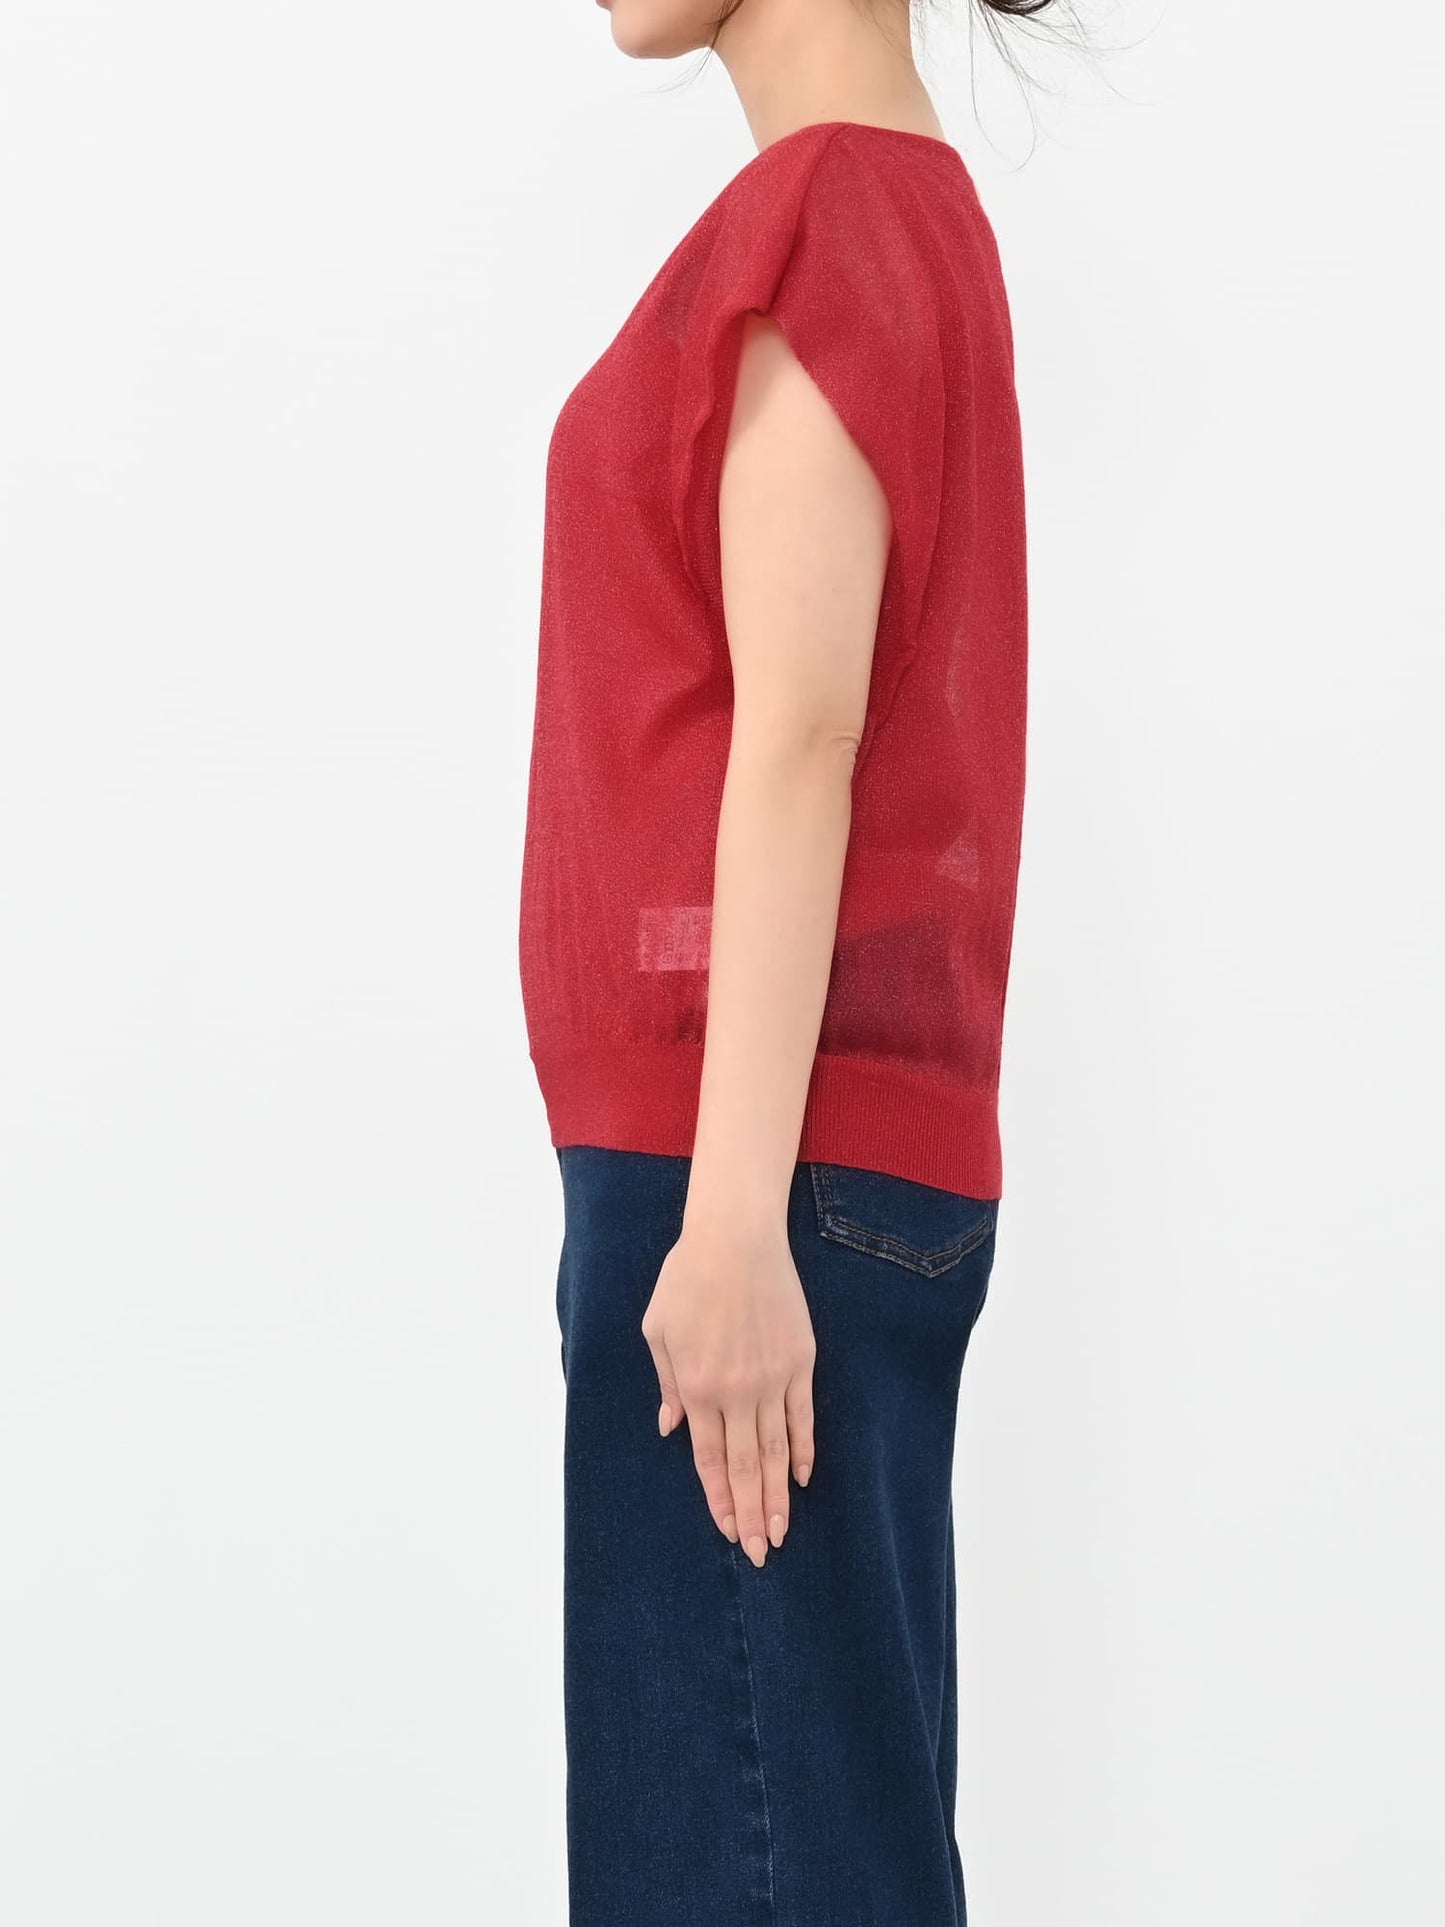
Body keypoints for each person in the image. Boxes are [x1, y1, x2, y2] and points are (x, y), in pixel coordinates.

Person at [518, 0, 1037, 1918]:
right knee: (813, 1845)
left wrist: (727, 1223)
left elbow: (804, 731)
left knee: (742, 1868)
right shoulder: (892, 212)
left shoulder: (825, 218)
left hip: (750, 1179)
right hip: (790, 1164)